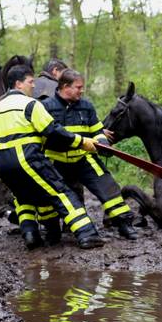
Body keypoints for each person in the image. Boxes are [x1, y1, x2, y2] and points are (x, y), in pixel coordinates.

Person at [0, 65, 105, 250]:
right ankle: (87, 234)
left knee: (24, 197)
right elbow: (53, 131)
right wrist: (82, 142)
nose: (33, 86)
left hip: (2, 164)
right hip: (27, 158)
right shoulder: (30, 104)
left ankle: (31, 235)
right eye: (30, 81)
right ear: (18, 84)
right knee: (61, 191)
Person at [41, 69, 138, 240]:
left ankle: (124, 224)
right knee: (51, 196)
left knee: (107, 185)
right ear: (65, 87)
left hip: (83, 158)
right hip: (55, 161)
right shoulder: (45, 107)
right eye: (78, 87)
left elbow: (97, 131)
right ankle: (52, 230)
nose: (81, 91)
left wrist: (104, 144)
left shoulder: (86, 106)